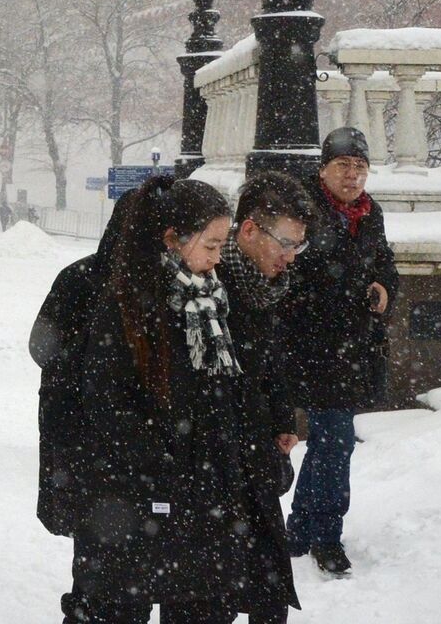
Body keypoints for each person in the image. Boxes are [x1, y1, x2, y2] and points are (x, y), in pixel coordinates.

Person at [32, 176, 286, 624]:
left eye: (220, 244)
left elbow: (240, 391)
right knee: (114, 603)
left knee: (201, 603)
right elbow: (101, 398)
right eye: (210, 245)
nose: (217, 258)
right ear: (171, 238)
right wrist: (158, 461)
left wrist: (256, 455)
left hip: (202, 494)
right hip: (133, 491)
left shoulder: (216, 298)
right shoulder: (121, 300)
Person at [278, 127, 396, 576]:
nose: (353, 176)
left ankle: (300, 528)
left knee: (329, 443)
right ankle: (326, 536)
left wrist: (384, 287)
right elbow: (290, 272)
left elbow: (383, 260)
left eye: (361, 167)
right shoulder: (301, 208)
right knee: (336, 441)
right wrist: (336, 294)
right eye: (344, 166)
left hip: (352, 347)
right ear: (323, 169)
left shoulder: (371, 212)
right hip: (310, 343)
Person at [217, 173, 317, 624]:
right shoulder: (210, 284)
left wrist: (282, 421)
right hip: (214, 464)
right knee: (209, 597)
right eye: (286, 243)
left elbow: (272, 364)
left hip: (254, 458)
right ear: (250, 230)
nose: (292, 257)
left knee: (267, 593)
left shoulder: (269, 285)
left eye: (300, 246)